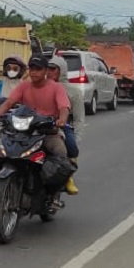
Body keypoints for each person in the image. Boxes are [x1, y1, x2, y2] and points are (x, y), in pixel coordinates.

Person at [0, 55, 70, 162]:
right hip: (25, 131)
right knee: (4, 145)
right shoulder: (24, 86)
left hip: (47, 130)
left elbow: (64, 107)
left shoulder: (57, 87)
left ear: (46, 71)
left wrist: (62, 120)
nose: (34, 72)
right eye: (32, 69)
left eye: (38, 69)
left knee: (59, 150)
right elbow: (8, 103)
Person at [46, 55, 82, 196]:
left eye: (53, 69)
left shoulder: (73, 92)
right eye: (47, 68)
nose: (49, 72)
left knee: (71, 147)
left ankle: (68, 178)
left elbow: (79, 118)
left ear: (62, 71)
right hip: (39, 122)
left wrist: (77, 137)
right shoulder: (40, 86)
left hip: (61, 125)